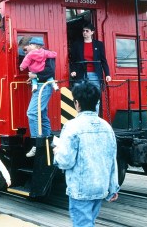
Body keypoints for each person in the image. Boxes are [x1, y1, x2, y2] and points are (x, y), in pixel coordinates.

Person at [52, 81, 119, 226]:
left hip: (81, 189)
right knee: (90, 223)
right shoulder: (107, 127)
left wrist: (57, 152)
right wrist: (113, 188)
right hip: (101, 187)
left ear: (76, 103)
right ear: (97, 102)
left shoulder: (72, 126)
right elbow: (112, 160)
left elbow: (65, 161)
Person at [69, 22, 111, 89]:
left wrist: (107, 74)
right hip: (80, 74)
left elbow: (103, 60)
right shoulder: (76, 45)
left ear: (92, 32)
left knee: (95, 95)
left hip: (95, 74)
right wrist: (73, 70)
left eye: (87, 31)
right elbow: (73, 60)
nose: (84, 32)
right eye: (83, 31)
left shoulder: (99, 44)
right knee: (80, 96)